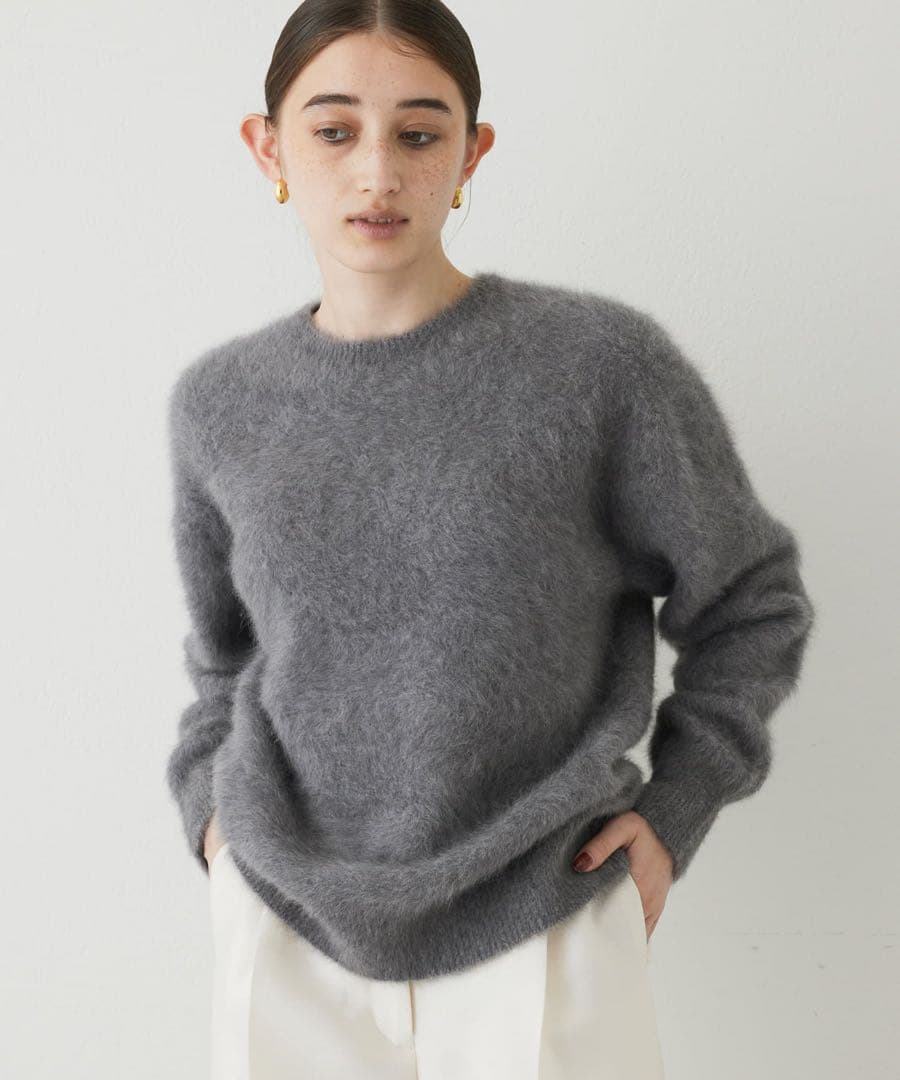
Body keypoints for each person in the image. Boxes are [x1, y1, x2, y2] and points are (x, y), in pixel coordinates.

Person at [164, 2, 816, 1077]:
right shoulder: (221, 403)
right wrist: (212, 822)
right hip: (282, 926)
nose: (378, 172)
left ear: (472, 152)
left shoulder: (599, 370)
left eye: (420, 133)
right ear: (267, 147)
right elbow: (224, 658)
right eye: (334, 130)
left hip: (546, 910)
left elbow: (751, 602)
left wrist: (677, 808)